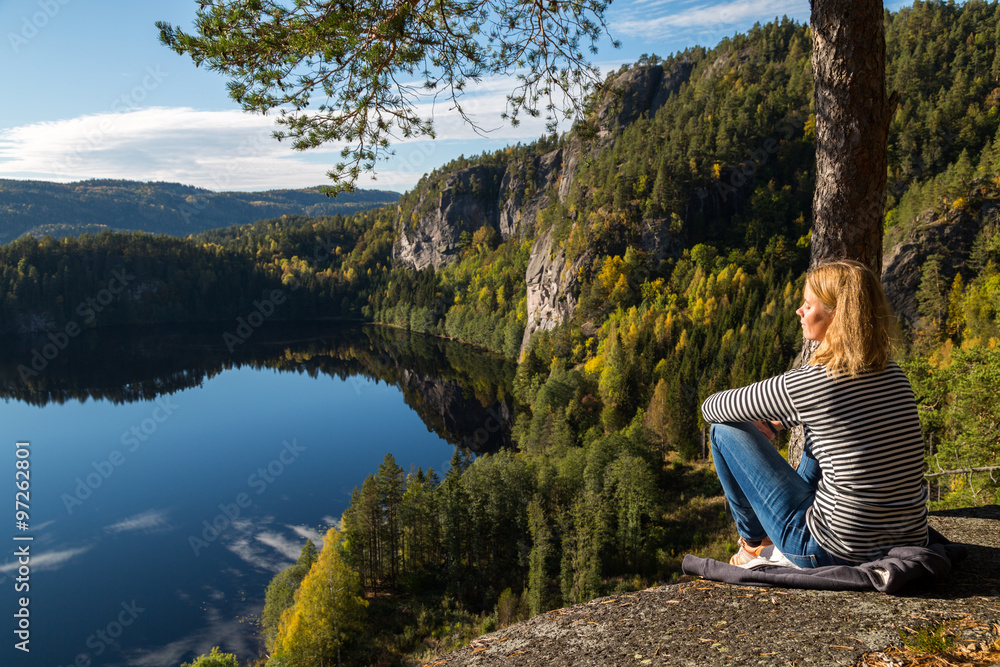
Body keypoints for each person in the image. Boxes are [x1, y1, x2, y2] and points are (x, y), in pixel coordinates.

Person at [701, 259, 928, 568]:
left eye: (808, 305)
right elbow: (837, 417)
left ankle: (753, 543)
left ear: (837, 315)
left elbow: (712, 407)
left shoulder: (816, 382)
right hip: (908, 538)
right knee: (817, 430)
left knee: (722, 430)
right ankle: (761, 540)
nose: (799, 311)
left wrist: (762, 421)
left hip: (829, 549)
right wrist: (775, 420)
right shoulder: (893, 374)